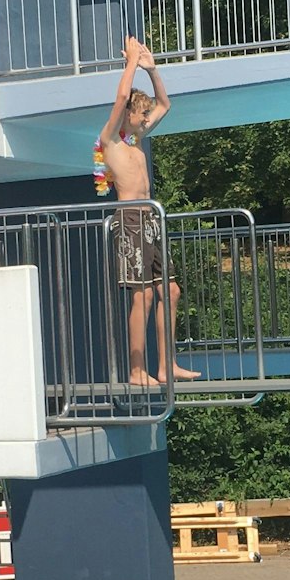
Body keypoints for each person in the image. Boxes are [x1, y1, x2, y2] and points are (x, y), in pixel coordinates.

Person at [100, 36, 199, 386]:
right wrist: (130, 63)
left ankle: (165, 365)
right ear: (129, 115)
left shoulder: (136, 140)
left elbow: (166, 105)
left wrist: (153, 70)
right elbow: (121, 98)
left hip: (150, 220)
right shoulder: (111, 140)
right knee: (141, 295)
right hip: (129, 221)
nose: (146, 121)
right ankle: (136, 370)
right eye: (141, 115)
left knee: (169, 292)